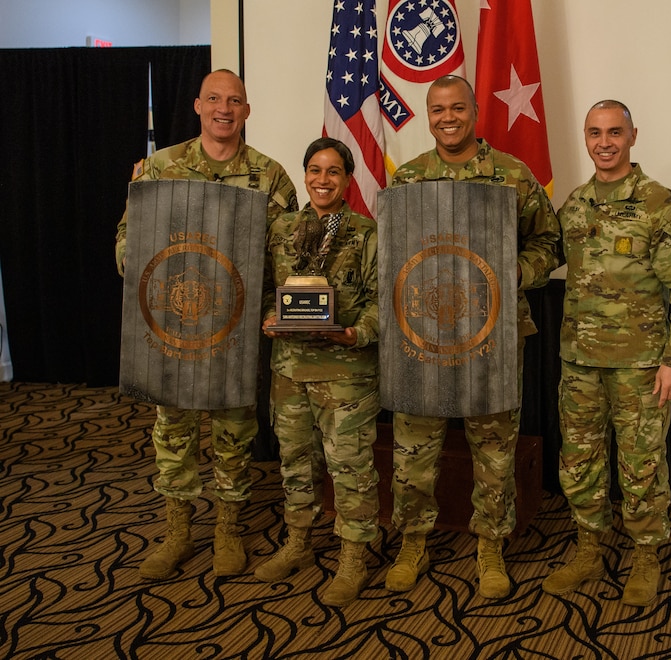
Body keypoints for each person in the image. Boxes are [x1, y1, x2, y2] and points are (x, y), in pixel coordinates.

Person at [115, 69, 298, 580]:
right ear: (197, 105)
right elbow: (128, 238)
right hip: (171, 329)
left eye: (234, 100)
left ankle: (228, 529)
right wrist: (137, 277)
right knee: (172, 429)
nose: (224, 108)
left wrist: (276, 308)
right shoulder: (160, 167)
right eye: (214, 99)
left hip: (236, 331)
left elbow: (287, 255)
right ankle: (177, 530)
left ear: (247, 110)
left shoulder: (271, 176)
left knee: (233, 432)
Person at [385, 75, 561, 599]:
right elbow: (394, 255)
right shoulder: (408, 180)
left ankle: (490, 544)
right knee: (413, 448)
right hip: (422, 335)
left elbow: (549, 244)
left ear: (475, 111)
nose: (447, 118)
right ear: (428, 113)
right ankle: (413, 540)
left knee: (493, 450)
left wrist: (514, 273)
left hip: (493, 337)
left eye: (457, 108)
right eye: (437, 109)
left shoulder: (512, 175)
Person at [541, 100, 671, 607]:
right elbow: (542, 258)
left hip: (641, 366)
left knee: (640, 465)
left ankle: (645, 554)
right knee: (580, 461)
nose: (604, 142)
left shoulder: (660, 205)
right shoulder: (574, 205)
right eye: (595, 132)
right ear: (585, 137)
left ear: (634, 136)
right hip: (580, 364)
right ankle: (589, 546)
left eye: (615, 132)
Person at [254, 137, 380, 608]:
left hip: (346, 372)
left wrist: (355, 333)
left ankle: (353, 558)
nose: (321, 179)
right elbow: (268, 287)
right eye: (313, 170)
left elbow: (379, 300)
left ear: (347, 179)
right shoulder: (281, 228)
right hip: (289, 368)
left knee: (350, 468)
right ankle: (298, 543)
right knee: (296, 463)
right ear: (304, 174)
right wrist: (269, 317)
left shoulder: (366, 233)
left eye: (332, 171)